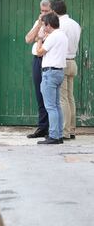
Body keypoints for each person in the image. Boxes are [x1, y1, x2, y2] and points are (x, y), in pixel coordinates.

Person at [51, 0, 81, 140]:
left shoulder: (60, 25)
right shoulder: (75, 24)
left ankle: (64, 131)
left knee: (62, 99)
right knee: (70, 97)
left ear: (55, 11)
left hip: (62, 62)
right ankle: (72, 129)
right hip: (72, 61)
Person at [35, 12, 68, 144]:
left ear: (48, 25)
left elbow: (39, 52)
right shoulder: (62, 35)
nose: (43, 28)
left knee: (51, 107)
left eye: (44, 25)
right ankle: (58, 134)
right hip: (59, 72)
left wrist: (39, 39)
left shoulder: (53, 37)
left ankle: (54, 135)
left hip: (50, 73)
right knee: (56, 105)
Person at [25, 0, 52, 139]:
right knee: (39, 94)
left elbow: (46, 42)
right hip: (37, 60)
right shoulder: (39, 22)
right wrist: (39, 25)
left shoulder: (55, 24)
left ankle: (51, 128)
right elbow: (28, 39)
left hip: (48, 60)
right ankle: (42, 127)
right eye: (41, 11)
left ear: (52, 10)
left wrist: (39, 39)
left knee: (50, 95)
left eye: (46, 11)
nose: (43, 13)